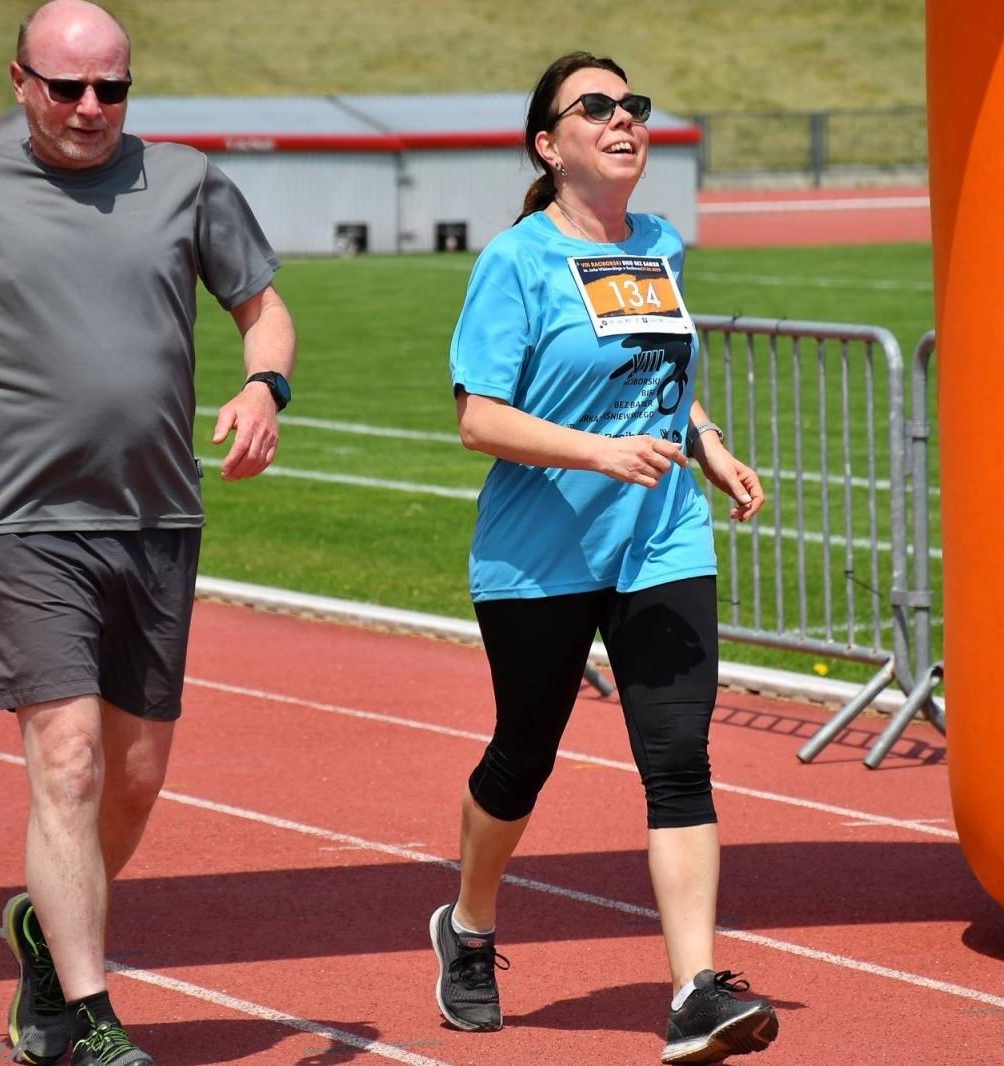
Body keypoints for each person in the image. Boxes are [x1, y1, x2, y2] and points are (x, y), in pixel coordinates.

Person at [0, 3, 295, 1064]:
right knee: (65, 764)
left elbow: (265, 309)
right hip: (27, 521)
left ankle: (41, 936)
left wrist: (264, 386)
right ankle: (94, 1016)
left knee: (136, 775)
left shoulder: (190, 180)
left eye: (114, 87)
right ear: (20, 81)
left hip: (158, 517)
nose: (92, 107)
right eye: (68, 87)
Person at [431, 51, 779, 1065]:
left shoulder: (660, 243)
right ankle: (470, 924)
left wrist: (707, 447)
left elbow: (663, 371)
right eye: (596, 107)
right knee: (522, 755)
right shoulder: (517, 260)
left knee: (677, 760)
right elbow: (477, 418)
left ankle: (692, 988)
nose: (622, 118)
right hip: (539, 554)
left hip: (661, 540)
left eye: (632, 104)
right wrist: (597, 452)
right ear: (549, 144)